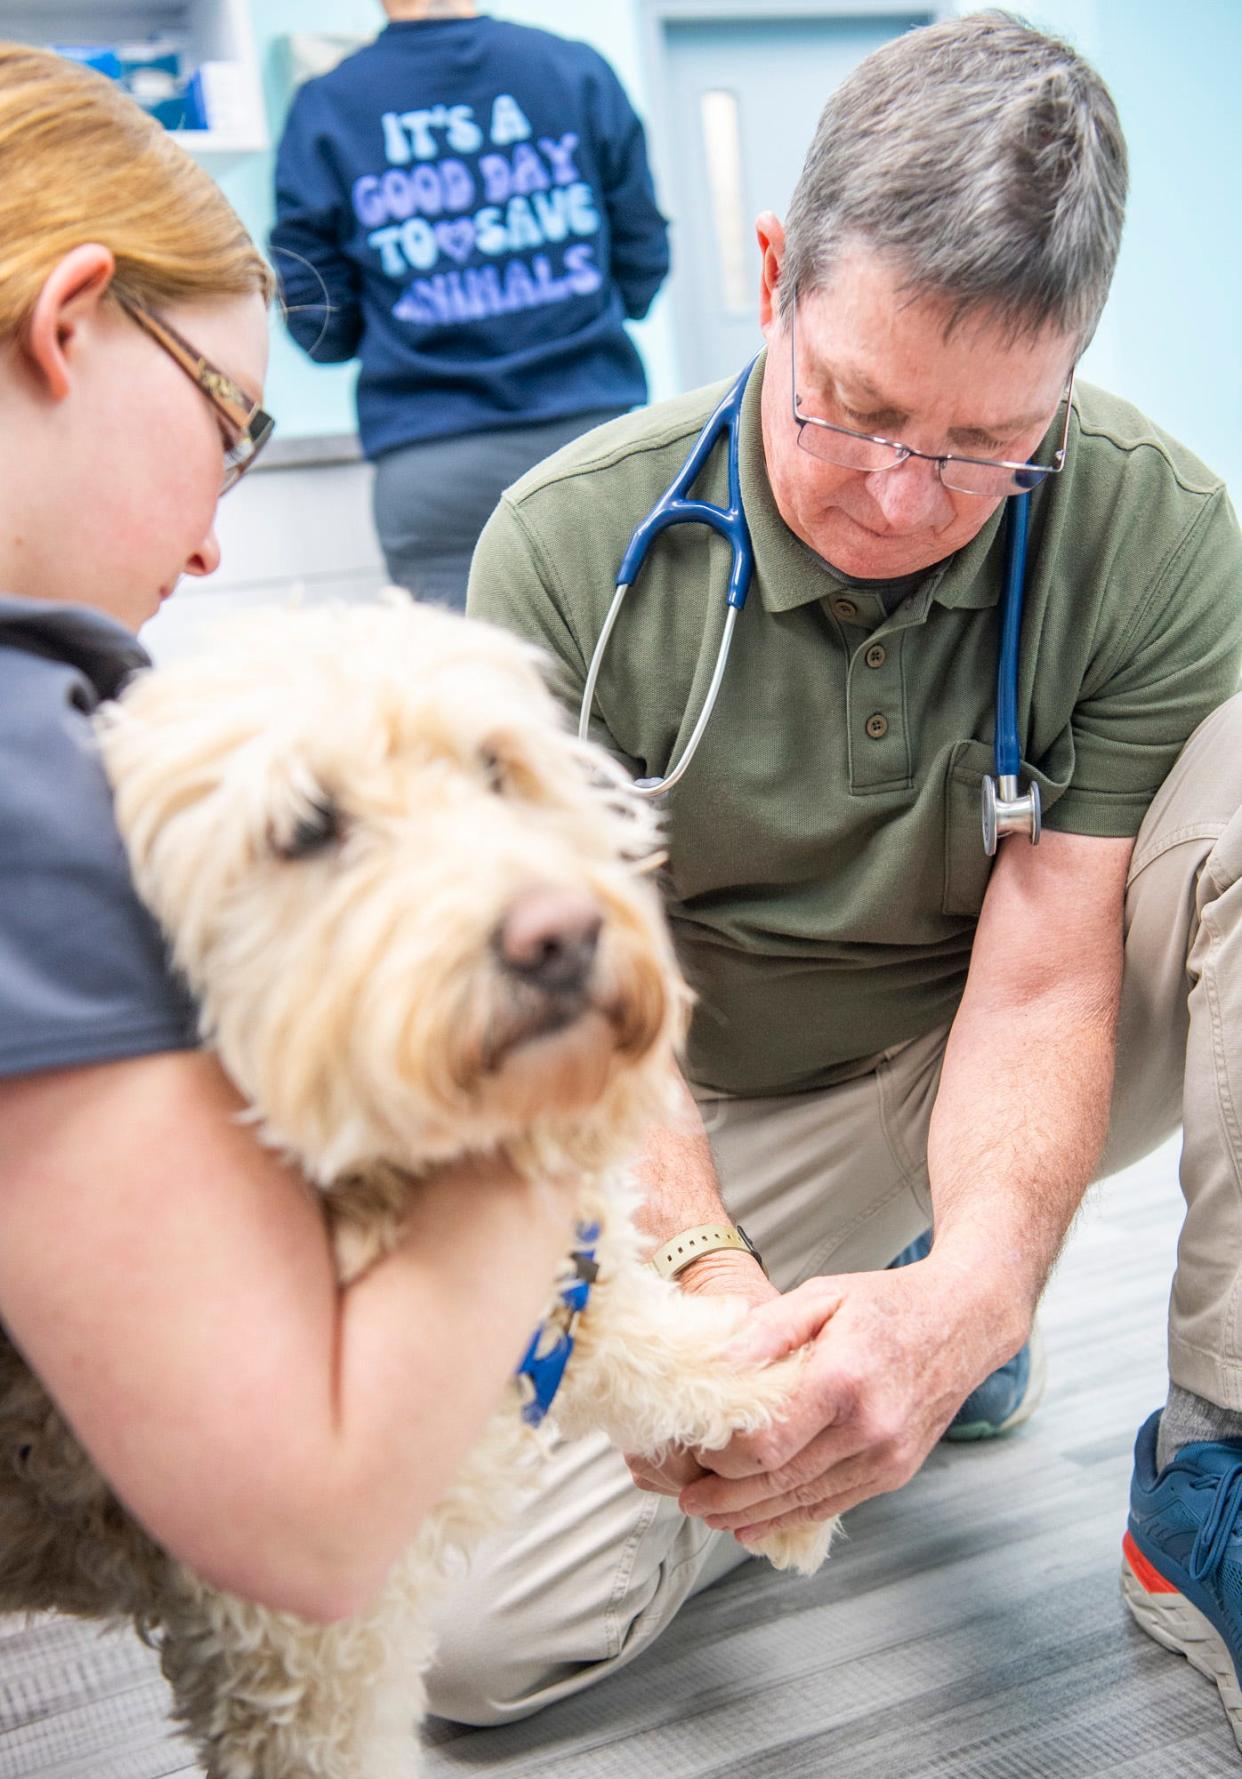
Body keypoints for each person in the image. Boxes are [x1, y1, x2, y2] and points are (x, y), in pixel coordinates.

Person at [449, 10, 1242, 1748]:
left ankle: (1211, 1445)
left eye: (981, 447)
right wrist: (722, 1294)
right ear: (768, 277)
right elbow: (580, 1020)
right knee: (472, 1637)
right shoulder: (569, 547)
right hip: (697, 1106)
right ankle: (867, 1282)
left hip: (990, 1031)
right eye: (855, 407)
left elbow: (1045, 971)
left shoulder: (1153, 529)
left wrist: (975, 1286)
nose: (898, 493)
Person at [0, 42, 591, 1629]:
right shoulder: (30, 763)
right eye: (230, 424)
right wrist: (567, 1093)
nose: (211, 531)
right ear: (68, 324)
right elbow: (314, 1522)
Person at [270, 0, 670, 608]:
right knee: (635, 681)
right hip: (597, 444)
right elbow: (643, 251)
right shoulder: (573, 71)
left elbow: (316, 314)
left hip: (434, 464)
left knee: (476, 693)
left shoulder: (328, 105)